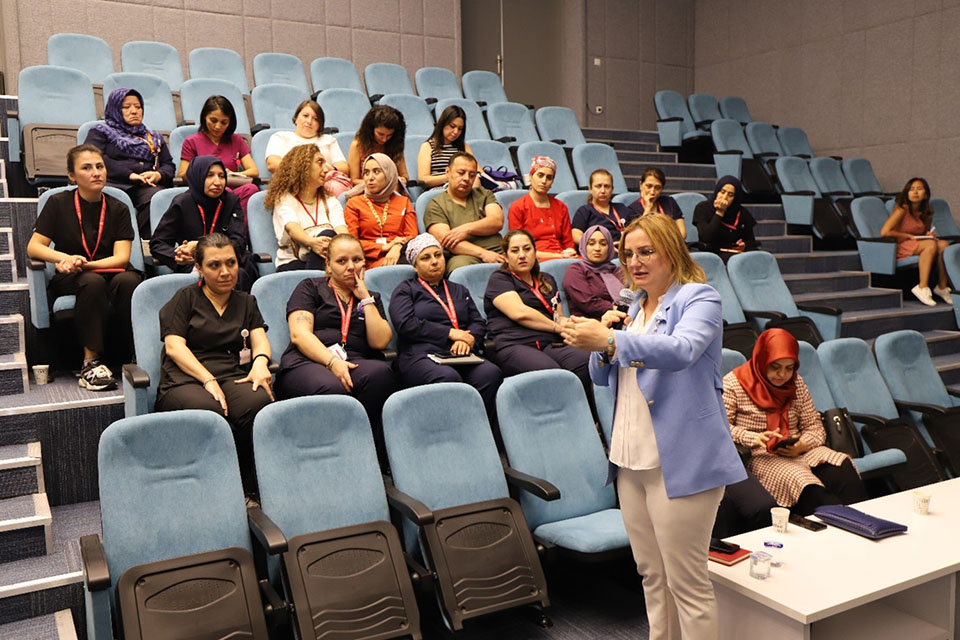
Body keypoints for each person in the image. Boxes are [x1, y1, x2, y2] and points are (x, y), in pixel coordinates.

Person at [560, 213, 746, 639]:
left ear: (671, 251)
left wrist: (610, 341)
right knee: (652, 575)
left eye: (646, 251)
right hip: (630, 460)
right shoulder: (632, 306)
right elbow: (602, 376)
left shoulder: (699, 298)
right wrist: (604, 343)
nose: (635, 262)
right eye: (628, 254)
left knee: (687, 584)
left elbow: (681, 350)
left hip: (681, 461)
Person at [155, 233, 274, 498]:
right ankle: (209, 492)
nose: (225, 272)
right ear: (199, 268)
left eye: (231, 263)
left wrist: (260, 363)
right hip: (186, 377)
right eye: (214, 265)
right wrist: (207, 379)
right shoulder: (185, 298)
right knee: (209, 413)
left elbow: (260, 341)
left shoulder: (246, 301)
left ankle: (249, 488)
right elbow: (174, 347)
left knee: (258, 403)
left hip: (230, 375)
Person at [27, 144, 143, 391]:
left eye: (100, 166)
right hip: (73, 276)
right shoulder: (58, 203)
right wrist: (65, 259)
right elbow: (34, 247)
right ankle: (90, 363)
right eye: (87, 168)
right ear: (72, 176)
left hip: (109, 270)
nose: (96, 172)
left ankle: (138, 353)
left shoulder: (119, 208)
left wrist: (86, 264)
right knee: (92, 282)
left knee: (130, 281)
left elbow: (122, 258)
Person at [275, 234, 396, 460]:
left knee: (381, 375)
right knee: (331, 387)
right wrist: (332, 362)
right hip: (307, 361)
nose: (351, 266)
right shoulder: (310, 287)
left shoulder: (370, 298)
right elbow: (299, 335)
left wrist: (365, 298)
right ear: (328, 265)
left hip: (353, 361)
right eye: (342, 261)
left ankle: (369, 455)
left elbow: (380, 342)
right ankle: (332, 456)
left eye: (357, 260)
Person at [724, 328, 868, 515]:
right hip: (761, 455)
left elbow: (814, 426)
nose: (782, 375)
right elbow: (722, 428)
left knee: (843, 468)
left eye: (789, 368)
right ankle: (841, 525)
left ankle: (866, 522)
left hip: (800, 449)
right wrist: (755, 438)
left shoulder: (796, 383)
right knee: (807, 486)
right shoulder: (733, 384)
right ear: (761, 359)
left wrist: (802, 445)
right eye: (775, 367)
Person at [390, 233, 503, 420]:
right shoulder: (406, 290)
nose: (434, 261)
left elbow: (477, 322)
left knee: (490, 374)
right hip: (421, 354)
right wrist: (450, 333)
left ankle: (481, 428)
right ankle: (451, 429)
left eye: (438, 255)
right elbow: (406, 324)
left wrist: (468, 340)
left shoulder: (458, 289)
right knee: (448, 378)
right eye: (426, 258)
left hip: (461, 353)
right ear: (415, 265)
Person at [484, 229, 591, 396]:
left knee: (586, 361)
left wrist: (571, 324)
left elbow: (558, 316)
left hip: (549, 343)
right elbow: (519, 313)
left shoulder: (547, 279)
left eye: (527, 249)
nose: (522, 255)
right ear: (505, 256)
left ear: (535, 252)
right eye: (515, 251)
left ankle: (584, 410)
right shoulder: (500, 279)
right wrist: (556, 327)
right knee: (551, 373)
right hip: (514, 344)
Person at [151, 156, 258, 291]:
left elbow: (239, 242)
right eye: (210, 176)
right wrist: (178, 255)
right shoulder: (182, 203)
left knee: (240, 273)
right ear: (198, 177)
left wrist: (199, 246)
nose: (217, 182)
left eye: (221, 176)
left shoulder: (231, 201)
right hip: (195, 263)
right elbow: (158, 243)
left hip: (229, 261)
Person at [84, 87, 175, 237]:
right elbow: (94, 158)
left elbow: (168, 165)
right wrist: (130, 175)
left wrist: (158, 175)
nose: (134, 111)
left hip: (144, 186)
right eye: (126, 107)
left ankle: (136, 238)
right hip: (113, 182)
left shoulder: (154, 137)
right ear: (115, 109)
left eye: (138, 107)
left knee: (160, 198)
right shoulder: (100, 131)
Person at [264, 144, 348, 272]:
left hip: (325, 261)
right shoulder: (285, 198)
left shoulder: (329, 199)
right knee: (328, 236)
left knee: (333, 240)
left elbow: (341, 228)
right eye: (320, 163)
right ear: (303, 167)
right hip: (293, 263)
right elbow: (292, 228)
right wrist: (311, 242)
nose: (327, 169)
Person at [423, 152, 506, 273]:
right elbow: (446, 240)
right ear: (448, 172)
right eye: (461, 173)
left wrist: (467, 229)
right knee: (461, 268)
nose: (466, 178)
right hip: (463, 255)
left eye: (472, 175)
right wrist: (483, 253)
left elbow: (497, 221)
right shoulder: (435, 204)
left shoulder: (484, 194)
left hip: (497, 249)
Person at [178, 95, 259, 212]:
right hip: (206, 191)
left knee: (251, 189)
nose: (217, 127)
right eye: (213, 121)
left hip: (231, 189)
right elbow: (182, 174)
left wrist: (232, 174)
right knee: (224, 192)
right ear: (204, 117)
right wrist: (207, 175)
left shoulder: (236, 140)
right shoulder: (191, 142)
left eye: (224, 122)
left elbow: (254, 171)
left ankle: (237, 223)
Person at [881, 177, 951, 306]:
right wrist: (906, 235)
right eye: (912, 189)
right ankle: (922, 287)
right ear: (907, 193)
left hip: (917, 243)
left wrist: (928, 234)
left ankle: (942, 287)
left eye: (919, 189)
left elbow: (922, 232)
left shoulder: (926, 212)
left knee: (943, 245)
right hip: (901, 245)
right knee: (930, 245)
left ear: (926, 194)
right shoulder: (902, 209)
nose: (915, 192)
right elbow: (885, 232)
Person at [343, 153, 417, 269]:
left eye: (376, 171)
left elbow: (412, 235)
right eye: (366, 173)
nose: (370, 178)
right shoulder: (354, 203)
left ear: (388, 174)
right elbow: (352, 242)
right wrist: (383, 247)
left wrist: (397, 246)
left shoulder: (403, 202)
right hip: (367, 259)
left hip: (400, 253)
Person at [507, 156, 576, 261]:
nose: (544, 181)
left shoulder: (561, 207)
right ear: (531, 177)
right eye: (540, 175)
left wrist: (569, 251)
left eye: (549, 177)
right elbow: (518, 247)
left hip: (562, 256)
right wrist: (556, 256)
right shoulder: (518, 207)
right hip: (533, 259)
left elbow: (568, 243)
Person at [264, 99, 348, 175]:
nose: (309, 121)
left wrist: (331, 170)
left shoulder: (328, 140)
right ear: (296, 118)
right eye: (305, 116)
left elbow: (343, 167)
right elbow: (272, 164)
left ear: (320, 124)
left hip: (325, 181)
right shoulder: (280, 137)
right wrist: (307, 171)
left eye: (315, 119)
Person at [562, 225, 625, 320]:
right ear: (584, 246)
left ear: (610, 248)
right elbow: (587, 302)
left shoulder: (615, 270)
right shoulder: (576, 270)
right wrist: (619, 310)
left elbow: (632, 294)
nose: (597, 248)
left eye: (603, 244)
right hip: (589, 323)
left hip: (622, 321)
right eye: (591, 244)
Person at [693, 175, 758, 261]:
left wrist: (744, 245)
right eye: (722, 192)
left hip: (736, 253)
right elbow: (706, 237)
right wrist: (720, 212)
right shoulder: (703, 208)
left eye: (730, 195)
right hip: (713, 253)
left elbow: (751, 242)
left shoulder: (741, 213)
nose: (724, 197)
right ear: (717, 191)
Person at [416, 105, 477, 189]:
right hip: (439, 191)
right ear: (443, 124)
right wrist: (452, 176)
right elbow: (423, 180)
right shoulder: (427, 146)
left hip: (463, 189)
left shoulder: (463, 146)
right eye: (452, 126)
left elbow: (478, 172)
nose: (456, 132)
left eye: (460, 129)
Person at [571, 169, 635, 245]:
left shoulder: (621, 208)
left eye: (607, 186)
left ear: (612, 189)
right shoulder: (584, 211)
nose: (603, 191)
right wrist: (599, 245)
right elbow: (576, 235)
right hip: (599, 249)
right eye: (598, 186)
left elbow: (637, 229)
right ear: (590, 189)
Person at [347, 105, 408, 186]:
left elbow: (404, 175)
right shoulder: (357, 145)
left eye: (389, 135)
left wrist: (403, 179)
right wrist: (381, 184)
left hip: (392, 189)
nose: (384, 139)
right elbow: (354, 180)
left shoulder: (395, 145)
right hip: (366, 189)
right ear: (370, 129)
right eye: (380, 134)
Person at [628, 168, 685, 239]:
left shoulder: (669, 202)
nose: (652, 192)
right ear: (641, 185)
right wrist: (648, 208)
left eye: (657, 188)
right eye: (649, 186)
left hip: (673, 244)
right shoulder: (632, 210)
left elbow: (682, 233)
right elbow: (640, 237)